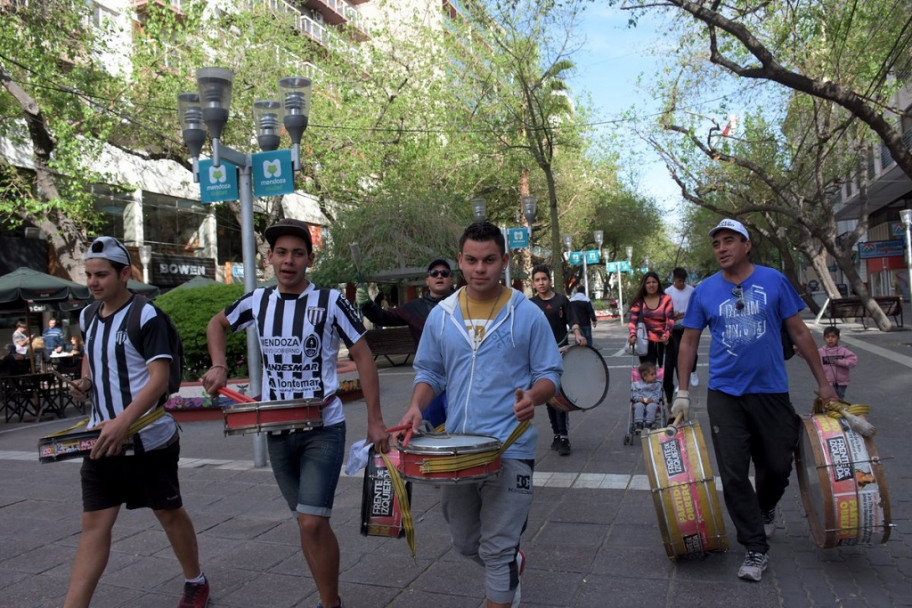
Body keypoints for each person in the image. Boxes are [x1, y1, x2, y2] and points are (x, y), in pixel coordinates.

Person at [201, 218, 389, 608]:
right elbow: (216, 324)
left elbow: (363, 355)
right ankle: (329, 597)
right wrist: (218, 365)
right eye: (281, 253)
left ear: (309, 259)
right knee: (306, 520)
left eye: (297, 253)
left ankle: (328, 603)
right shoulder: (257, 301)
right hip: (276, 427)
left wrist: (375, 420)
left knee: (312, 520)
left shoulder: (331, 302)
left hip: (323, 425)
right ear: (270, 258)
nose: (288, 261)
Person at [397, 221, 563, 608]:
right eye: (471, 260)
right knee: (466, 542)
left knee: (498, 548)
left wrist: (534, 397)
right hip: (459, 449)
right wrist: (414, 406)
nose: (480, 269)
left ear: (504, 261)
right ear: (459, 261)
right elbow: (430, 373)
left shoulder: (527, 314)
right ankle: (509, 565)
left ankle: (505, 571)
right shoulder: (442, 315)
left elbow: (550, 374)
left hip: (510, 447)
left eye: (489, 260)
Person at [673, 219, 839, 583]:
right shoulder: (705, 291)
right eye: (716, 243)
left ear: (747, 245)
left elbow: (798, 331)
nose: (721, 248)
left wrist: (824, 384)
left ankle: (764, 509)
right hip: (725, 394)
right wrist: (683, 392)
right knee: (733, 473)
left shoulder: (774, 280)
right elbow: (688, 342)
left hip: (771, 391)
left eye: (729, 240)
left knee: (778, 465)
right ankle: (754, 547)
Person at [64, 236, 208, 608]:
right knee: (94, 526)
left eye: (101, 275)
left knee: (168, 512)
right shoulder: (87, 315)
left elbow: (159, 379)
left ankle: (196, 580)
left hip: (149, 440)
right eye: (89, 275)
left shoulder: (146, 315)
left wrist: (124, 421)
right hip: (101, 440)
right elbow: (92, 358)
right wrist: (86, 384)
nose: (93, 282)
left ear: (124, 274)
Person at [529, 264, 584, 456]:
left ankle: (564, 436)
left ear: (549, 280)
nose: (541, 283)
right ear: (533, 283)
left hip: (561, 352)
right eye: (537, 280)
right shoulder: (530, 304)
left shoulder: (562, 300)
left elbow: (572, 320)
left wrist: (577, 334)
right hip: (540, 356)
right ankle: (556, 434)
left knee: (560, 394)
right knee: (548, 396)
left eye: (544, 279)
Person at [356, 258, 455, 344]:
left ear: (451, 280)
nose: (439, 276)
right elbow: (384, 318)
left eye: (444, 273)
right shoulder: (414, 308)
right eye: (434, 273)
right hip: (428, 365)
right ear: (427, 281)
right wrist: (367, 305)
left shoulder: (462, 302)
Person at [663, 267, 698, 402]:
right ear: (674, 279)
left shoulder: (691, 291)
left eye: (683, 281)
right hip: (674, 326)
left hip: (689, 325)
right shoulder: (668, 292)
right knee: (679, 353)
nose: (681, 283)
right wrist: (672, 314)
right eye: (678, 281)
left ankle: (693, 370)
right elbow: (665, 309)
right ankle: (681, 384)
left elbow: (696, 307)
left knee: (692, 352)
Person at [626, 271, 674, 366]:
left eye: (654, 282)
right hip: (645, 342)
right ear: (644, 285)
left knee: (664, 376)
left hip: (664, 342)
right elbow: (632, 321)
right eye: (648, 283)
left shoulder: (666, 299)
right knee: (649, 375)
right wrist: (632, 335)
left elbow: (670, 319)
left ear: (658, 284)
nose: (651, 285)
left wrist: (666, 334)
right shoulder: (639, 301)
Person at [801, 326, 858, 400]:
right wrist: (798, 351)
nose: (830, 339)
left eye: (833, 337)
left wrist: (841, 362)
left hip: (841, 382)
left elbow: (853, 360)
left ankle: (837, 411)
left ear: (838, 338)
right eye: (827, 337)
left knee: (839, 400)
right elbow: (810, 355)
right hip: (827, 382)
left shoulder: (843, 351)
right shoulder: (821, 351)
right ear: (824, 339)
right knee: (827, 399)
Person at [631, 361, 663, 431]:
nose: (655, 376)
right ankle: (639, 423)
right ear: (645, 376)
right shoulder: (637, 384)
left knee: (651, 406)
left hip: (652, 401)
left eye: (655, 374)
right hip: (640, 401)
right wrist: (639, 399)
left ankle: (648, 423)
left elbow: (658, 395)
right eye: (652, 374)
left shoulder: (657, 384)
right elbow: (635, 394)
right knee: (638, 405)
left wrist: (653, 399)